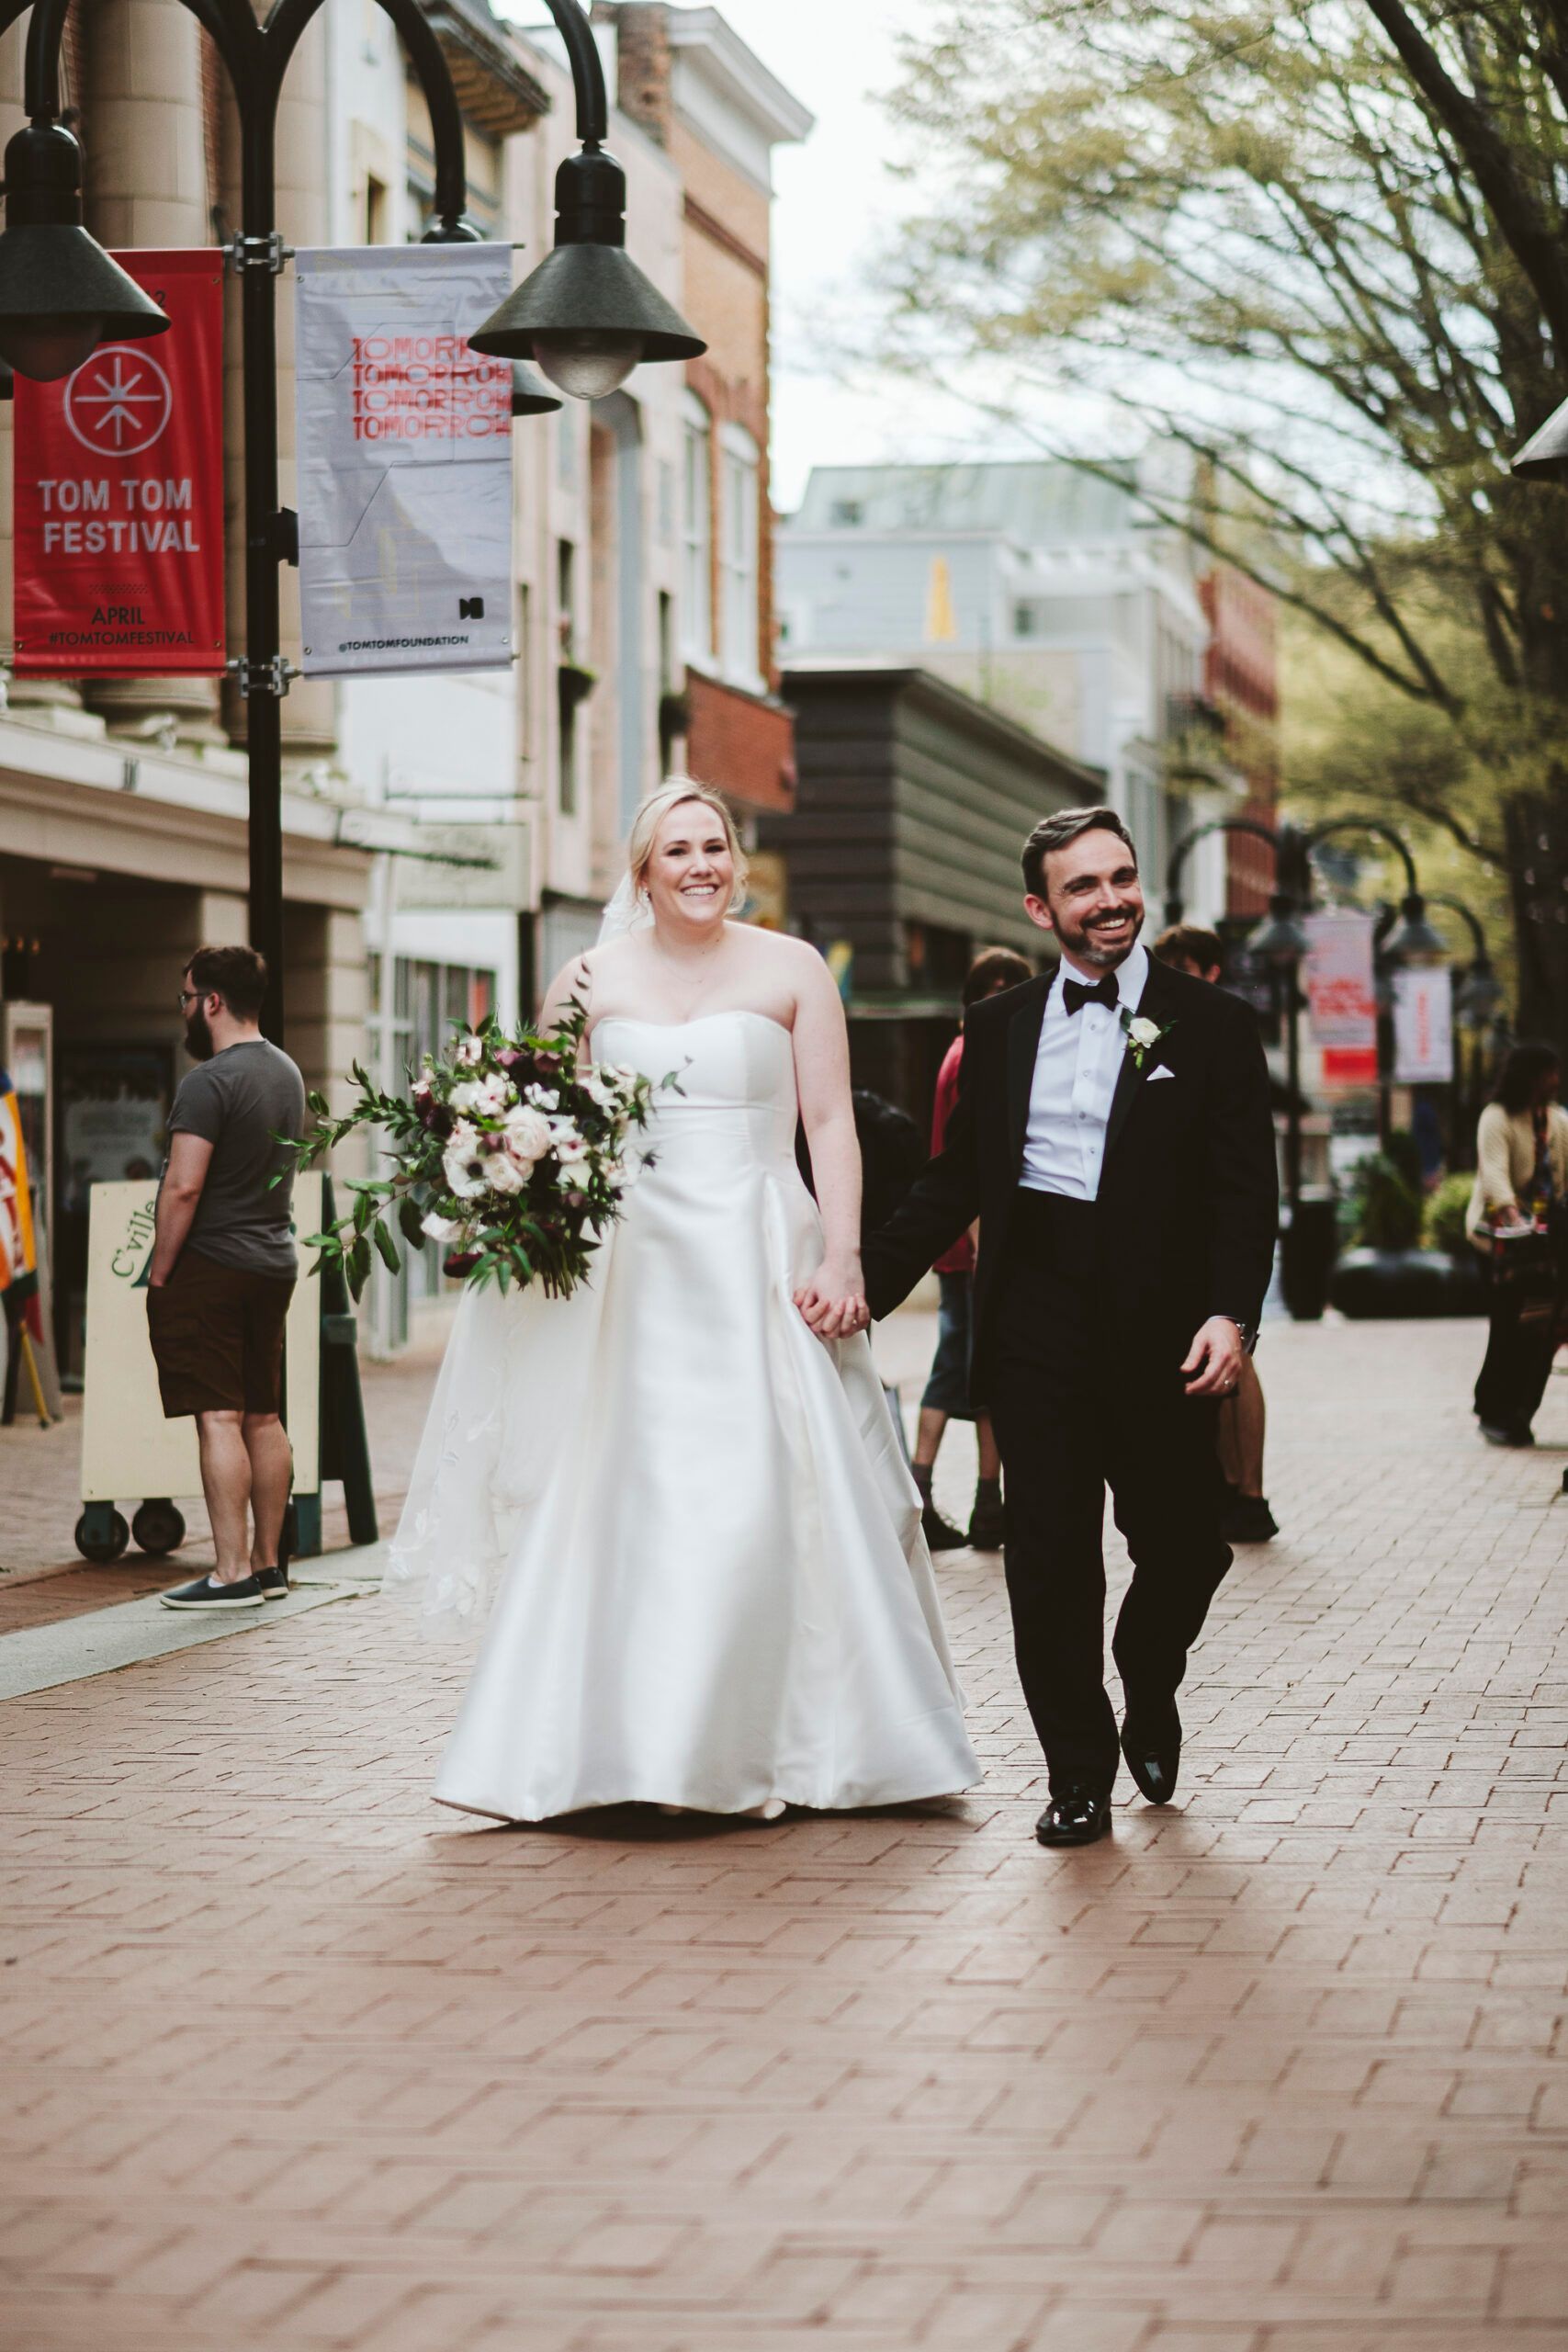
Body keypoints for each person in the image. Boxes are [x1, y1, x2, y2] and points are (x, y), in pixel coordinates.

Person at [389, 779, 979, 1822]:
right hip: (630, 1272)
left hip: (760, 1256)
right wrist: (505, 1198)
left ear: (734, 862)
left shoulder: (793, 968)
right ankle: (620, 1750)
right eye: (679, 850)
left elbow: (831, 1126)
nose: (701, 864)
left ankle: (795, 1742)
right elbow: (538, 1126)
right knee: (627, 1495)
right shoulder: (585, 978)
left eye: (716, 845)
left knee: (766, 1492)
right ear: (643, 871)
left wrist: (843, 1255)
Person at [840, 808, 1277, 1849]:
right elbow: (955, 1181)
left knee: (1182, 1543)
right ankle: (1076, 1774)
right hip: (1034, 1315)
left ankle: (1149, 1668)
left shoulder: (1212, 1025)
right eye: (1083, 886)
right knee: (1048, 1560)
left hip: (1165, 1328)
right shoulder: (998, 1029)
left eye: (1122, 876)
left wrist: (1230, 1312)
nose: (1112, 898)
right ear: (1042, 908)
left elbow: (1242, 1192)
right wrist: (862, 1280)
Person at [148, 946, 305, 1610]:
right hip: (273, 1262)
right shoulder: (287, 1073)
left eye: (186, 999)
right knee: (262, 1416)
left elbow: (183, 1188)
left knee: (218, 1415)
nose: (184, 1011)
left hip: (211, 1265)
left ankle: (230, 1572)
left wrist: (159, 1273)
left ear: (211, 1001)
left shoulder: (207, 1083)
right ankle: (268, 1567)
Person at [1152, 923, 1278, 1544]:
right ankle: (1226, 1483)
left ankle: (1248, 1491)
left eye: (1185, 967)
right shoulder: (1150, 1026)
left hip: (1212, 1227)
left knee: (1237, 1358)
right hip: (1171, 1232)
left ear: (1211, 971)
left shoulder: (1225, 1026)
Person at [915, 946, 1032, 1554]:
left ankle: (986, 1501)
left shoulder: (960, 1051)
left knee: (972, 1367)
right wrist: (985, 1242)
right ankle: (925, 1497)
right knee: (960, 1369)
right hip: (972, 1244)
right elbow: (976, 1162)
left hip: (964, 1242)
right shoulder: (974, 1056)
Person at [1469, 1040, 1568, 1446]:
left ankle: (1520, 1409)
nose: (1556, 1081)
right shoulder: (1497, 1118)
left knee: (1542, 1327)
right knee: (1508, 1324)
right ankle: (1493, 1408)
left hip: (1545, 1241)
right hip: (1499, 1241)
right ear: (1531, 1076)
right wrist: (1514, 1215)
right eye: (1549, 1073)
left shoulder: (1557, 1120)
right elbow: (1494, 1174)